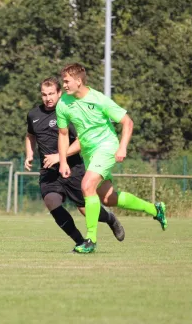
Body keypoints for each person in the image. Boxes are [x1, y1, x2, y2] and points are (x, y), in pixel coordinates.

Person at [56, 64, 167, 254]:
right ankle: (155, 209)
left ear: (78, 81)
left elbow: (127, 122)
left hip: (107, 147)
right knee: (108, 198)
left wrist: (122, 147)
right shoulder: (63, 103)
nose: (63, 84)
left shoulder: (99, 99)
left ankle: (90, 240)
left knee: (87, 186)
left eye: (66, 81)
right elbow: (64, 135)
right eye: (63, 81)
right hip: (89, 153)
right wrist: (63, 161)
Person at [26, 77, 125, 250]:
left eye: (51, 94)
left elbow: (82, 140)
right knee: (51, 202)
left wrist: (59, 156)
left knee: (85, 209)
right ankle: (80, 241)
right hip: (49, 171)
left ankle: (110, 219)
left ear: (59, 93)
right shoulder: (33, 115)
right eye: (44, 94)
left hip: (73, 168)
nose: (48, 98)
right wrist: (29, 154)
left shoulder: (68, 111)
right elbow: (30, 135)